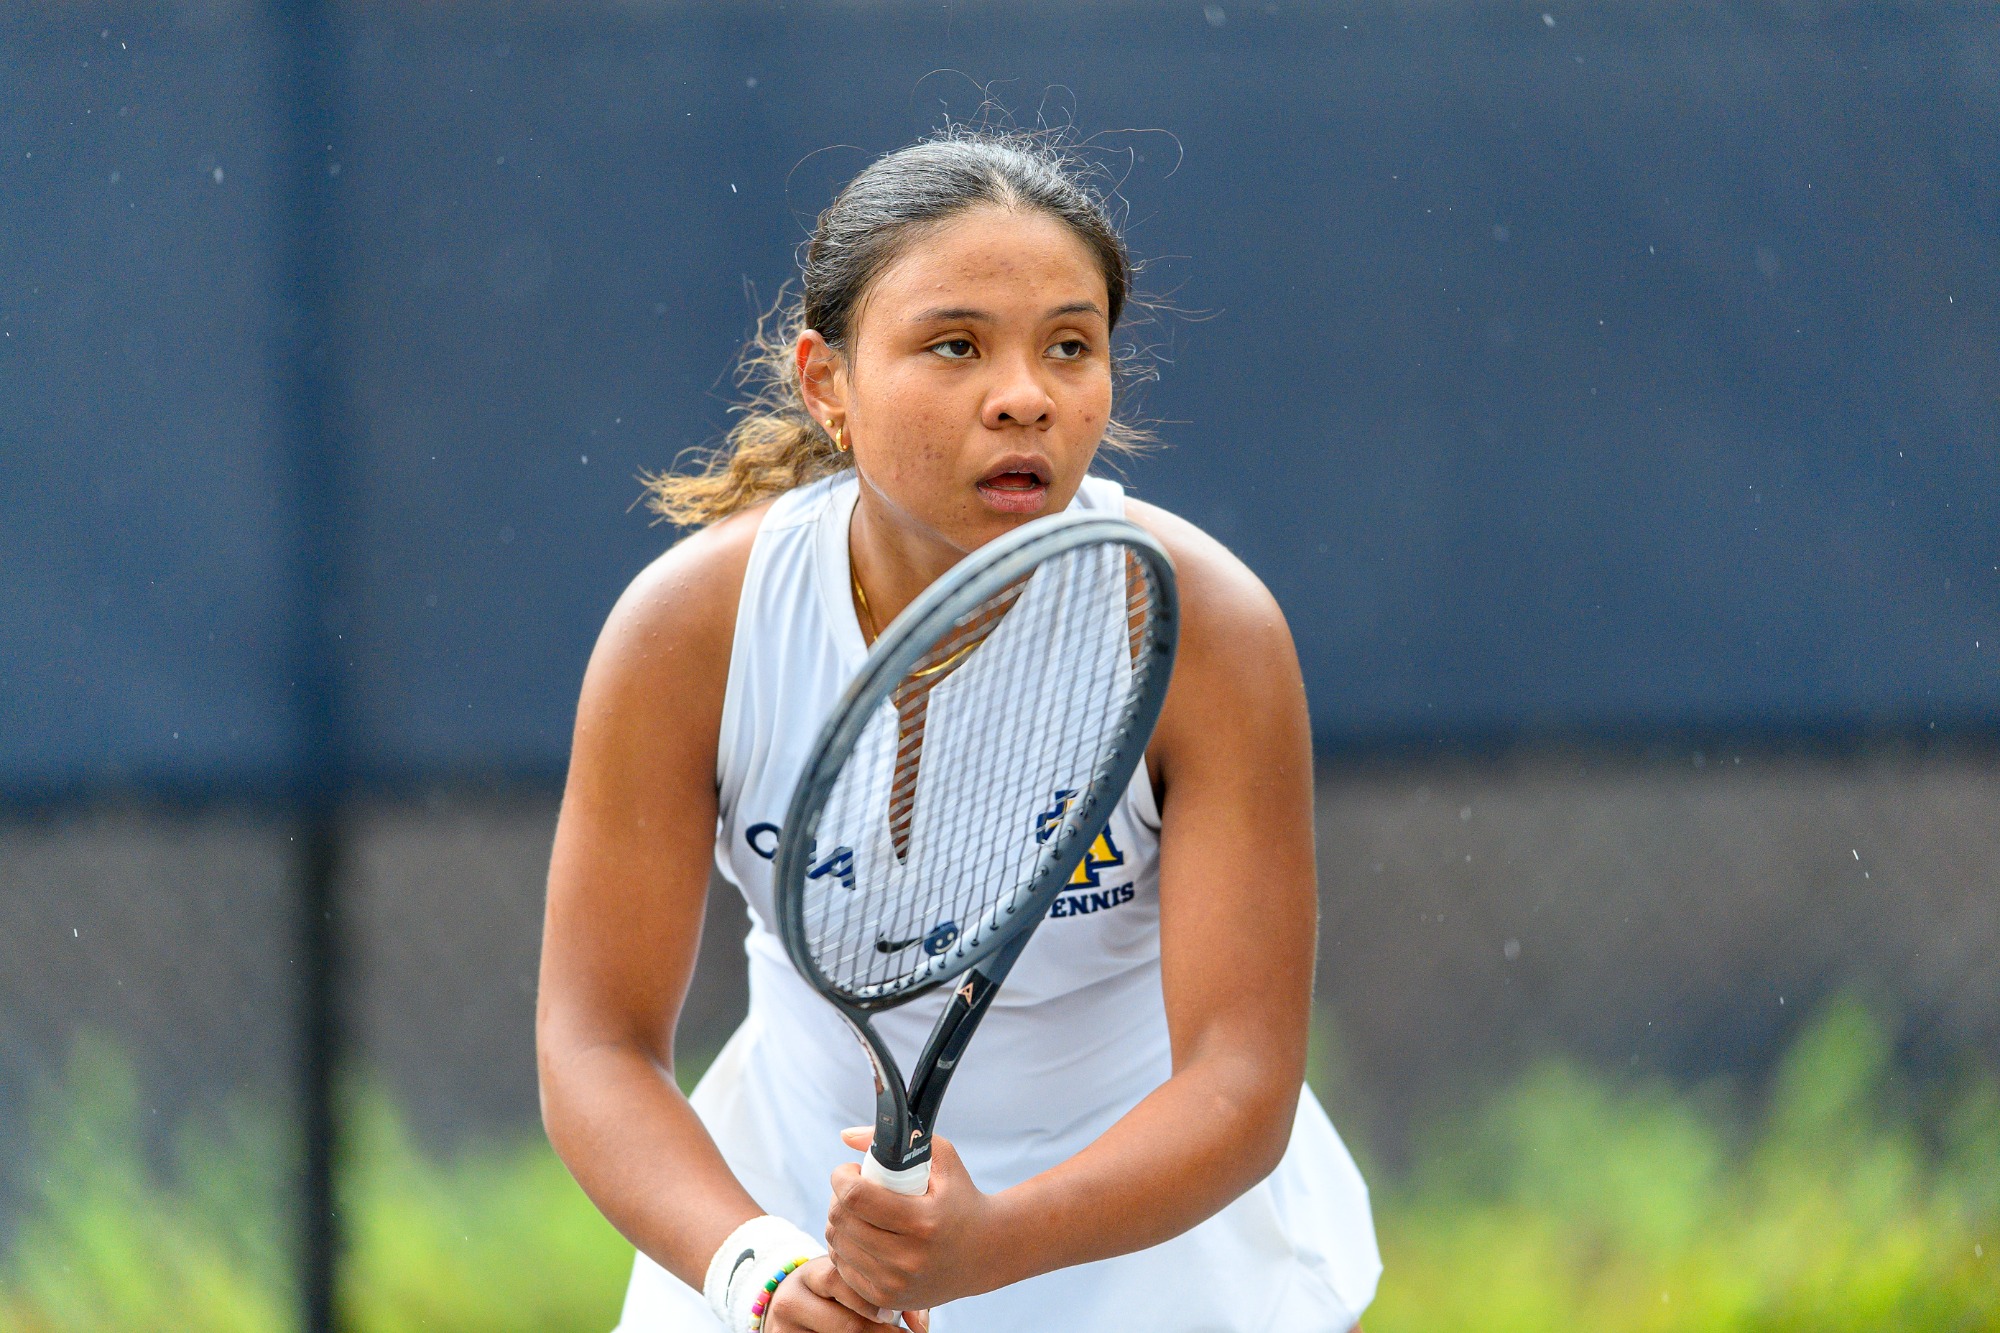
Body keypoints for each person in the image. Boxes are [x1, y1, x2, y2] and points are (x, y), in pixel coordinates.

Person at [537, 128, 1381, 1333]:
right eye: (954, 345)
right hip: (778, 1247)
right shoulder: (687, 633)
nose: (1024, 394)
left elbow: (1239, 1082)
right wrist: (755, 1273)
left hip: (1165, 1267)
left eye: (1070, 346)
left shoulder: (1206, 627)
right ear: (826, 382)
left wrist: (987, 1247)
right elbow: (594, 1039)